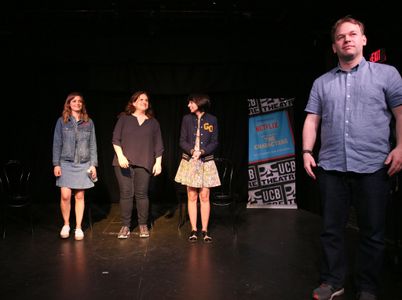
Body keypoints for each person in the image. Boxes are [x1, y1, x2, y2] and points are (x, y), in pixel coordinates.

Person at [302, 16, 402, 300]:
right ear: (334, 46)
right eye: (341, 36)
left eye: (353, 34)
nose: (347, 38)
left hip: (374, 166)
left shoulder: (387, 75)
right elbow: (312, 120)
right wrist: (307, 151)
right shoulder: (322, 83)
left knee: (372, 231)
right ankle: (333, 281)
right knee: (331, 230)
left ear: (363, 40)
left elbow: (400, 114)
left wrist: (401, 147)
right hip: (331, 167)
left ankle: (368, 287)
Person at [112, 91, 164, 239]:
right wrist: (121, 156)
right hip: (123, 162)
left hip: (144, 162)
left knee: (142, 195)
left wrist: (158, 163)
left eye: (146, 100)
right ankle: (125, 226)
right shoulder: (124, 119)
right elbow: (115, 139)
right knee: (126, 194)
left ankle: (143, 225)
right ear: (133, 103)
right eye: (140, 99)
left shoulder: (153, 123)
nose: (144, 102)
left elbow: (159, 145)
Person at [175, 93, 221, 243]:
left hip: (206, 162)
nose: (189, 105)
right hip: (190, 161)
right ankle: (194, 229)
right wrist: (192, 151)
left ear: (199, 103)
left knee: (205, 196)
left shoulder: (212, 119)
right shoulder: (187, 119)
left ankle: (205, 230)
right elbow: (182, 140)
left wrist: (201, 151)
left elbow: (215, 142)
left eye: (191, 102)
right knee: (192, 196)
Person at [53, 92, 98, 241]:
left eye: (79, 101)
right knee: (65, 196)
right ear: (69, 104)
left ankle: (78, 227)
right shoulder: (62, 121)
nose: (77, 103)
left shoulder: (88, 122)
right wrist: (56, 164)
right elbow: (57, 143)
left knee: (79, 196)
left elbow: (92, 145)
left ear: (82, 104)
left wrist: (93, 165)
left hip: (83, 163)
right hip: (66, 163)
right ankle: (66, 224)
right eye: (74, 101)